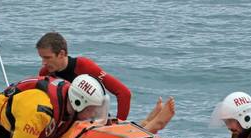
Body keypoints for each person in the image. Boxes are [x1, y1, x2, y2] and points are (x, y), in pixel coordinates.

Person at [36, 32, 174, 132]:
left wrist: (119, 126)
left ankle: (152, 125)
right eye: (42, 58)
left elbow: (124, 93)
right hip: (68, 127)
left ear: (61, 54)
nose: (43, 62)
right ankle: (146, 123)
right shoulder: (45, 73)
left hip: (94, 124)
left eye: (47, 58)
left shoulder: (83, 66)